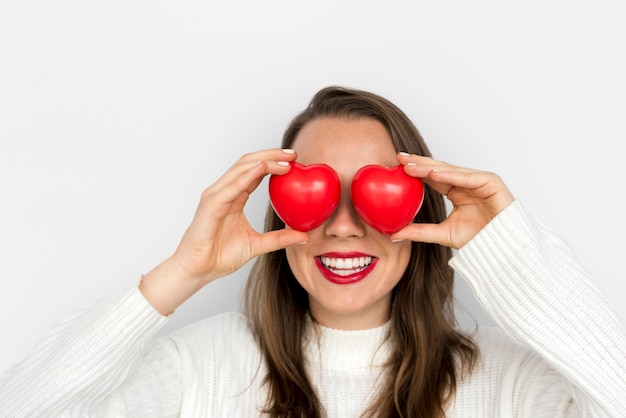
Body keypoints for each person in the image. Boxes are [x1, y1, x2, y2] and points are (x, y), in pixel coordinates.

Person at [0, 86, 624, 417]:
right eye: (318, 194)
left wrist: (509, 249)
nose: (345, 226)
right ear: (281, 212)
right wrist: (180, 273)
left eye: (376, 193)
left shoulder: (507, 380)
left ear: (420, 211)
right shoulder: (203, 366)